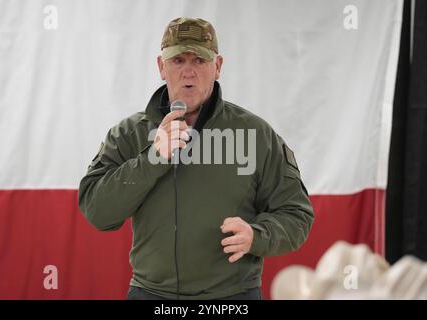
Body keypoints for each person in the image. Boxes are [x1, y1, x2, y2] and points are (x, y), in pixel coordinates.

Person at [78, 17, 315, 300]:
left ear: (217, 67)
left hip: (231, 297)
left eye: (199, 61)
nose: (188, 72)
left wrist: (257, 235)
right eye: (178, 60)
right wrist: (153, 158)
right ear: (161, 67)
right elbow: (97, 212)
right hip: (150, 294)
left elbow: (296, 214)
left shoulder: (255, 134)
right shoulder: (129, 134)